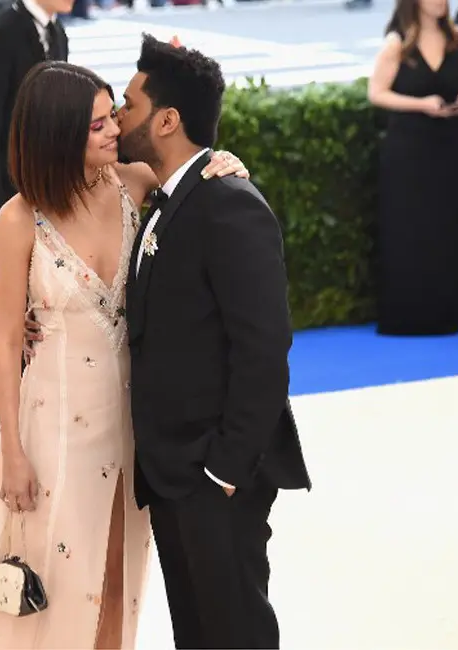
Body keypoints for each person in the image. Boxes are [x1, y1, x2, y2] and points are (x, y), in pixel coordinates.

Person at [0, 60, 250, 649]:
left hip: (132, 428)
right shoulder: (18, 220)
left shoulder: (135, 182)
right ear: (58, 133)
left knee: (114, 577)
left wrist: (228, 162)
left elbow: (195, 175)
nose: (115, 128)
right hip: (54, 431)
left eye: (112, 114)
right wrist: (12, 452)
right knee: (44, 591)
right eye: (97, 124)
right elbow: (6, 343)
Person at [117, 35, 312, 648]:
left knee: (236, 631)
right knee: (197, 633)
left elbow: (265, 348)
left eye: (128, 104)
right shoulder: (165, 198)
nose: (118, 116)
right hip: (171, 470)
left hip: (215, 473)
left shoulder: (229, 203)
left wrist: (225, 467)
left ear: (167, 120)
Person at [0, 0, 72, 432]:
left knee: (42, 291)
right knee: (6, 298)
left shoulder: (57, 33)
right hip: (9, 197)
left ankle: (34, 390)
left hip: (48, 191)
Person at [367, 0, 458, 335]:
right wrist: (421, 105)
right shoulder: (397, 43)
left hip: (449, 147)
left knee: (445, 227)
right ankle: (407, 314)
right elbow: (377, 93)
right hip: (409, 151)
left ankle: (445, 312)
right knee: (408, 228)